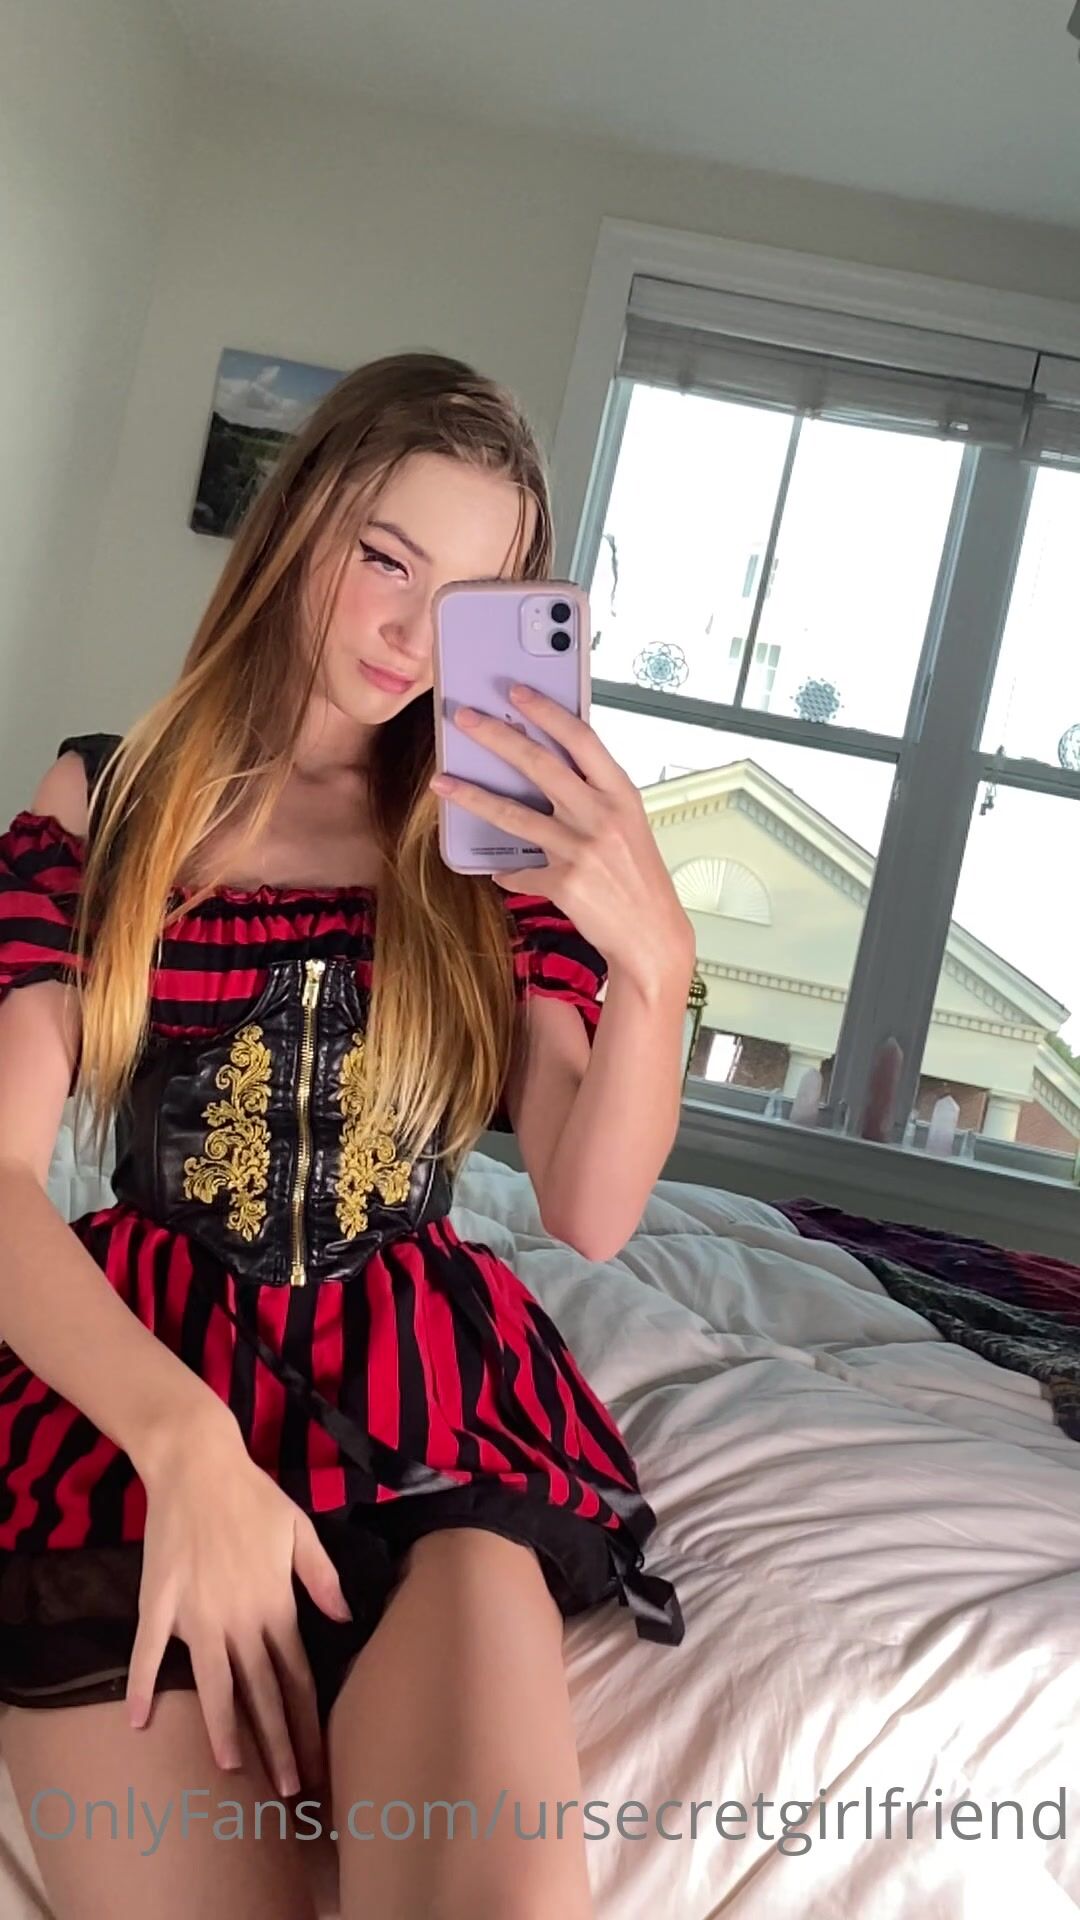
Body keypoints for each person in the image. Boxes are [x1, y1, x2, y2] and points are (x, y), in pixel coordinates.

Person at [0, 351, 693, 1920]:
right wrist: (187, 1446)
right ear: (299, 521)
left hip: (425, 1402)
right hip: (139, 1397)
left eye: (468, 602)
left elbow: (590, 1208)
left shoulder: (489, 847)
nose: (412, 637)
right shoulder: (109, 799)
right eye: (387, 559)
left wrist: (654, 960)